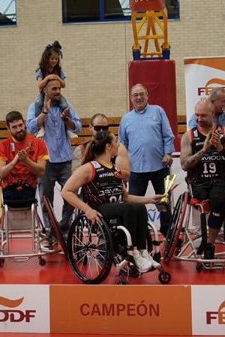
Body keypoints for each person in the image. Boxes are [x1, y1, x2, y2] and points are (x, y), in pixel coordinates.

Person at [61, 131, 162, 273]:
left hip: (118, 209)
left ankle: (142, 251)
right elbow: (66, 191)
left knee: (139, 207)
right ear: (108, 146)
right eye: (116, 141)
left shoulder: (115, 169)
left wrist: (149, 199)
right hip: (99, 210)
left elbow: (125, 197)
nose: (118, 144)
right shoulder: (89, 168)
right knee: (128, 208)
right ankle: (132, 253)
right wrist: (87, 209)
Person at [180, 99, 225, 259]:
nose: (199, 119)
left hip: (219, 180)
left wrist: (220, 148)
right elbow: (184, 165)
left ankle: (210, 244)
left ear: (212, 114)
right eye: (197, 115)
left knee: (219, 200)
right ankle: (206, 237)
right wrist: (203, 150)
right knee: (206, 199)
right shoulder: (189, 136)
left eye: (203, 115)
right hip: (198, 182)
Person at [28, 76, 82, 239]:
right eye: (54, 89)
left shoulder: (67, 105)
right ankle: (51, 231)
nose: (58, 91)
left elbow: (78, 127)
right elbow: (30, 128)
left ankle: (63, 227)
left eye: (59, 88)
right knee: (46, 198)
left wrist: (67, 120)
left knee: (72, 194)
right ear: (45, 90)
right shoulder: (35, 107)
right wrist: (44, 112)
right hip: (46, 161)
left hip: (65, 160)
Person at [118, 84, 176, 236]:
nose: (139, 97)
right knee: (135, 205)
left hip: (160, 167)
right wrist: (122, 167)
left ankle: (168, 234)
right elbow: (122, 144)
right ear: (131, 98)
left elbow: (168, 136)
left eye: (141, 94)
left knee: (164, 203)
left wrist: (168, 153)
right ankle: (137, 235)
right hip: (136, 170)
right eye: (135, 95)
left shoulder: (158, 111)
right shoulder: (126, 118)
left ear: (147, 96)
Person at [0, 110, 49, 208]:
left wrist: (26, 160)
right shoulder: (3, 145)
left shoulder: (38, 143)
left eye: (20, 125)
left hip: (30, 187)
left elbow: (41, 172)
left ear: (24, 124)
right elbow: (0, 173)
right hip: (9, 187)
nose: (19, 129)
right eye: (14, 127)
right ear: (8, 128)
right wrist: (15, 161)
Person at [34, 41, 72, 112]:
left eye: (56, 59)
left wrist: (58, 78)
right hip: (43, 94)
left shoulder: (59, 70)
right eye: (52, 59)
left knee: (65, 105)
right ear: (46, 59)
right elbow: (40, 85)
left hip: (56, 94)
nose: (54, 61)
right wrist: (48, 78)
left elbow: (63, 85)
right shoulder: (42, 70)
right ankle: (38, 118)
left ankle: (64, 118)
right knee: (38, 103)